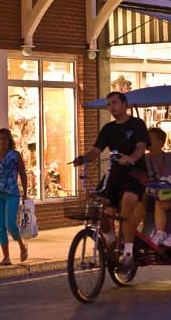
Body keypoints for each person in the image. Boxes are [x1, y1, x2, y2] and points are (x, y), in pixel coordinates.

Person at [72, 92, 149, 270]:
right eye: (108, 104)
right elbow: (96, 151)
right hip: (114, 174)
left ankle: (129, 251)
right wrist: (83, 158)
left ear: (124, 105)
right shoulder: (108, 129)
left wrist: (131, 158)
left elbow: (140, 148)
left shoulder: (137, 124)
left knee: (127, 203)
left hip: (135, 174)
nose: (111, 107)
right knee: (99, 204)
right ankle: (111, 239)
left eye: (114, 103)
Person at [0, 129, 29, 266]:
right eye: (0, 139)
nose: (2, 141)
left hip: (12, 193)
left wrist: (25, 193)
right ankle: (6, 257)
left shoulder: (15, 156)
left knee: (10, 223)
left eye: (5, 139)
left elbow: (22, 173)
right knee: (0, 227)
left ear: (9, 141)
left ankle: (22, 245)